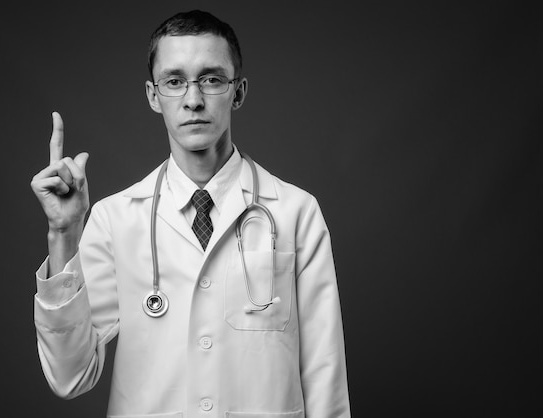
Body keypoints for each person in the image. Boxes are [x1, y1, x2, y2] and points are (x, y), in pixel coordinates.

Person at [30, 9, 350, 418]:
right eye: (175, 81)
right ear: (152, 94)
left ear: (238, 92)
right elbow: (69, 376)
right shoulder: (116, 219)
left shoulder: (295, 212)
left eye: (212, 79)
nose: (193, 99)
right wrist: (63, 233)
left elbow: (325, 374)